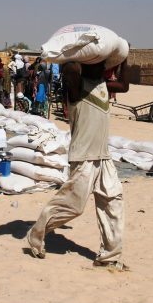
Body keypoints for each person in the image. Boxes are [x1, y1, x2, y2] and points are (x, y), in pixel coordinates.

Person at [27, 58, 130, 270]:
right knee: (74, 206)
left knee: (113, 203)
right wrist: (78, 56)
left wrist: (123, 59)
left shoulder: (103, 85)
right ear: (88, 65)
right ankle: (36, 233)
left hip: (104, 156)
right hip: (83, 156)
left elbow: (124, 85)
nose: (103, 67)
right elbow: (71, 70)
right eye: (99, 63)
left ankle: (109, 256)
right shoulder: (76, 86)